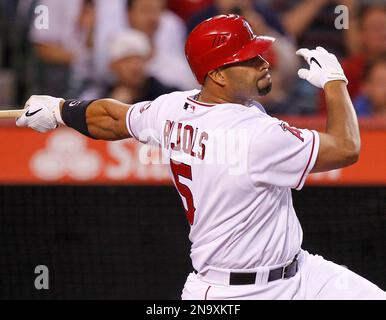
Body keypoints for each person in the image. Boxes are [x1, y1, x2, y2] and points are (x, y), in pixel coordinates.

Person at [16, 15, 386, 299]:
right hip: (230, 292)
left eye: (258, 53)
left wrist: (62, 109)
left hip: (303, 276)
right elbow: (347, 147)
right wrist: (337, 83)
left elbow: (114, 118)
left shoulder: (172, 108)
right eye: (248, 58)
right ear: (218, 76)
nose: (263, 62)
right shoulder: (254, 135)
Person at [79, 29, 178, 103]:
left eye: (139, 59)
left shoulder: (166, 96)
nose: (135, 66)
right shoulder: (99, 96)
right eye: (127, 60)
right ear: (112, 66)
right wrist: (114, 105)